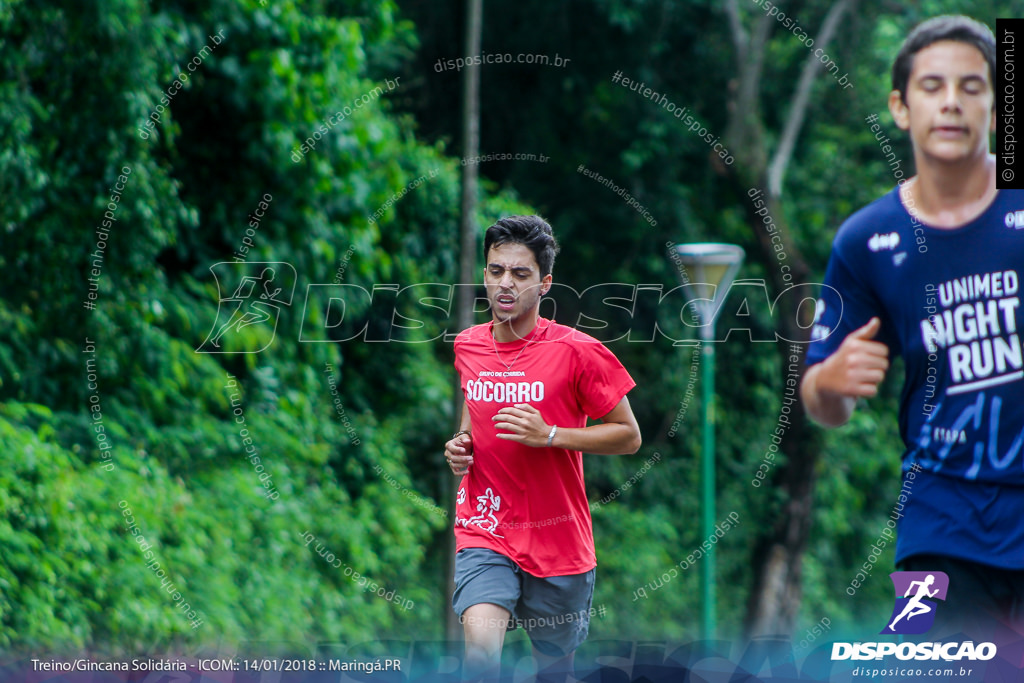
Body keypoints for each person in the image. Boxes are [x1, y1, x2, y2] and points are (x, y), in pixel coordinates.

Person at [801, 15, 1024, 641]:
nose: (951, 101)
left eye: (972, 86)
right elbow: (821, 402)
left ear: (996, 105)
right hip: (936, 520)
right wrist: (835, 382)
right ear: (900, 107)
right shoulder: (868, 239)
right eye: (932, 85)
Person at [444, 215, 642, 681]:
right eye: (495, 271)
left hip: (559, 542)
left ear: (545, 283)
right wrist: (461, 444)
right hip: (485, 526)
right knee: (479, 651)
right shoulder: (468, 345)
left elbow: (628, 435)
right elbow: (473, 410)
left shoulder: (578, 351)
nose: (504, 284)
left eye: (520, 273)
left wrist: (551, 435)